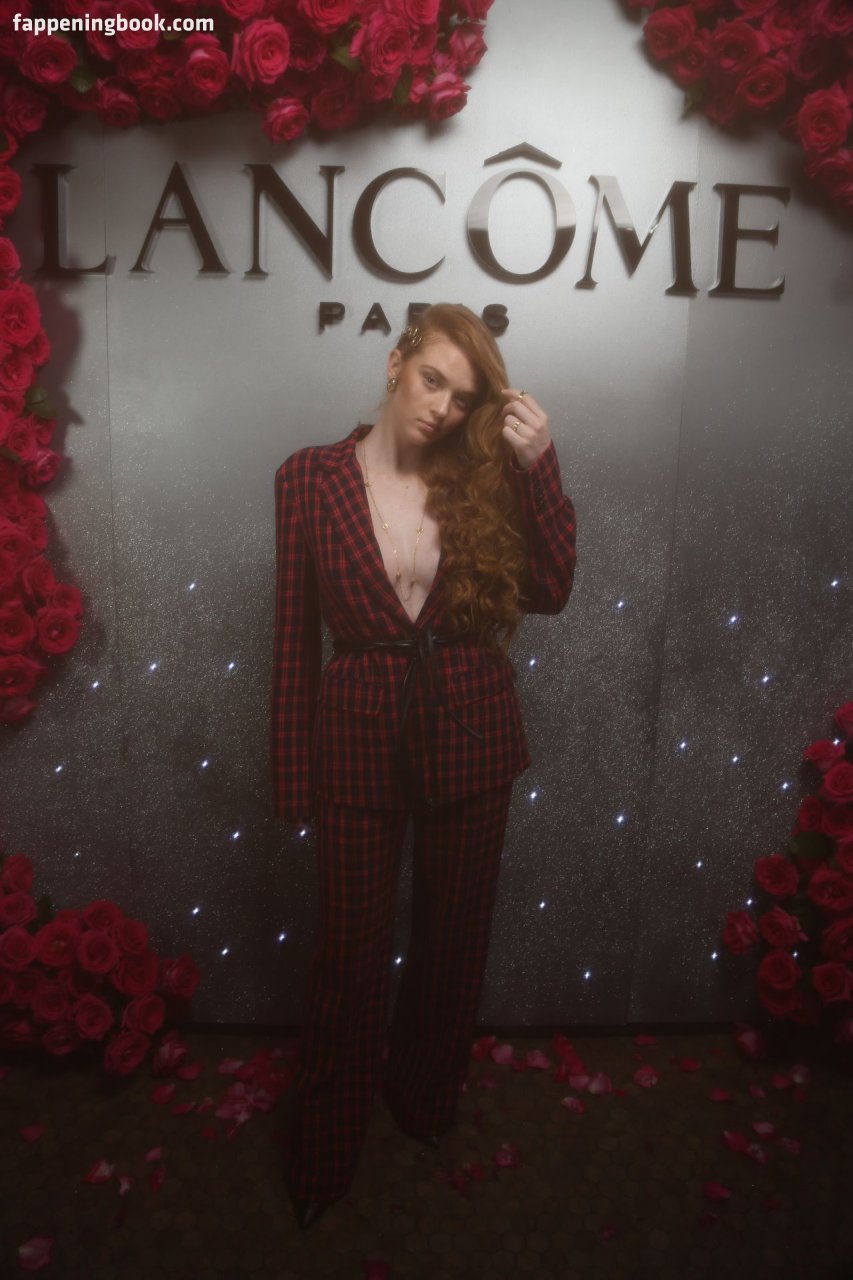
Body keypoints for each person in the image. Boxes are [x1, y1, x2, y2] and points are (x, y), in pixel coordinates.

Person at [271, 303, 577, 1230]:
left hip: (473, 730)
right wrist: (292, 773)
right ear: (396, 364)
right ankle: (326, 1142)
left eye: (463, 396)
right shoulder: (307, 477)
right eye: (432, 379)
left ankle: (424, 1099)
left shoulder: (484, 476)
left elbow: (552, 590)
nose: (442, 407)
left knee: (453, 942)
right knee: (350, 956)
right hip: (355, 738)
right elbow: (293, 634)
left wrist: (540, 467)